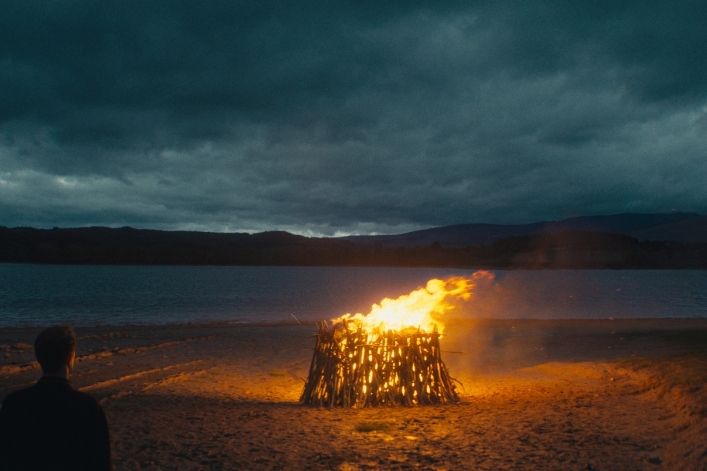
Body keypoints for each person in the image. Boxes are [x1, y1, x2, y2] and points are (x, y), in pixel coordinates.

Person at [0, 324, 112, 470]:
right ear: (71, 357)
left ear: (39, 356)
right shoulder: (88, 407)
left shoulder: (14, 404)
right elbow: (101, 463)